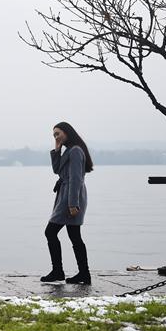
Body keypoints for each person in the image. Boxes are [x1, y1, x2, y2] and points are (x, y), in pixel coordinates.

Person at [41, 122, 93, 285]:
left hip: (70, 196)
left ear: (67, 132)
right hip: (66, 194)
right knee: (74, 236)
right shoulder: (69, 150)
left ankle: (59, 271)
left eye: (58, 133)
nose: (56, 137)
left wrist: (72, 204)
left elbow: (76, 178)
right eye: (54, 135)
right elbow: (57, 170)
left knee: (50, 232)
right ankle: (83, 273)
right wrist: (57, 149)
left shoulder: (76, 150)